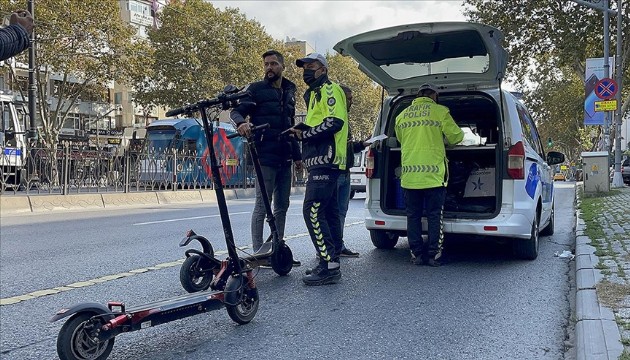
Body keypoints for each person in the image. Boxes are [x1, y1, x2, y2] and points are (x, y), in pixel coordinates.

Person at [229, 50, 303, 266]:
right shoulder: (256, 89)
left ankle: (277, 250)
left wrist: (297, 156)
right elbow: (236, 112)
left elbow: (290, 125)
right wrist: (242, 123)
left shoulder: (290, 90)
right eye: (266, 65)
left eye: (273, 64)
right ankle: (259, 254)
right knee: (262, 206)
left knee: (282, 206)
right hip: (264, 156)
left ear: (282, 66)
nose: (269, 68)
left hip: (285, 157)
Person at [290, 53, 348, 286]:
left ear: (322, 69)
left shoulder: (330, 90)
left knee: (312, 211)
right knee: (329, 213)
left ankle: (328, 264)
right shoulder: (314, 94)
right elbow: (318, 122)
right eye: (304, 67)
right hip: (321, 160)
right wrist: (300, 129)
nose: (306, 71)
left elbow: (335, 122)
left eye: (311, 67)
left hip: (327, 159)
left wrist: (305, 134)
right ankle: (330, 264)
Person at [395, 83, 463, 267]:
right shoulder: (440, 112)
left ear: (417, 96)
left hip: (409, 177)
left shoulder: (402, 115)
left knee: (413, 216)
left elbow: (401, 139)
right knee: (435, 216)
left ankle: (416, 254)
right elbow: (457, 137)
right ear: (434, 96)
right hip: (434, 176)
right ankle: (434, 255)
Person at [337, 85, 367, 257]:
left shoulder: (346, 120)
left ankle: (338, 245)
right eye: (349, 98)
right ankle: (326, 248)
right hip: (334, 172)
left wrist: (361, 144)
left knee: (341, 212)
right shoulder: (334, 118)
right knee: (331, 213)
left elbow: (346, 148)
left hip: (346, 171)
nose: (351, 102)